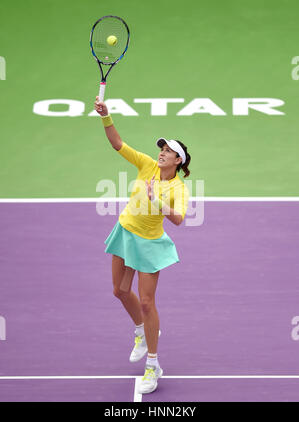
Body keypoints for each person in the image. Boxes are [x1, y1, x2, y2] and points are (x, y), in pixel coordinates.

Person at [94, 97, 191, 394]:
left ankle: (153, 364)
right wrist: (106, 116)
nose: (162, 153)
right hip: (126, 231)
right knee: (120, 291)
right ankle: (140, 330)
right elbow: (117, 144)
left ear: (178, 162)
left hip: (149, 243)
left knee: (147, 302)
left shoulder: (178, 188)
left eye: (169, 152)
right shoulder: (146, 165)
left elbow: (178, 219)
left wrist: (156, 199)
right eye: (162, 149)